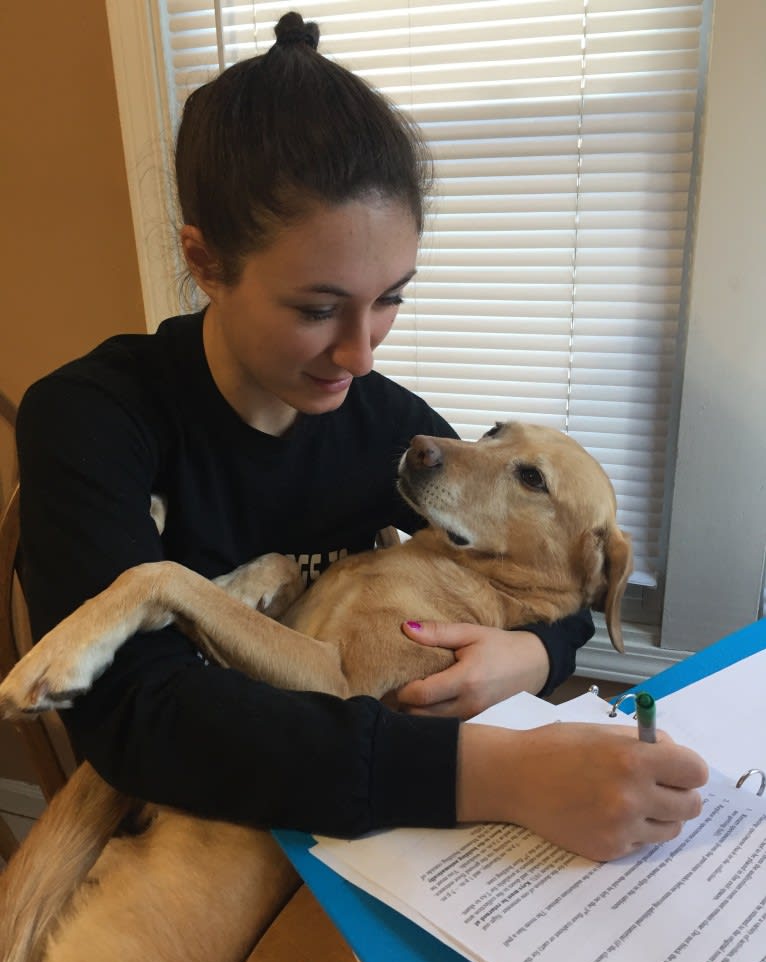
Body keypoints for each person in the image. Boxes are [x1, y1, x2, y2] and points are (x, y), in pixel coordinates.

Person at [15, 12, 707, 864]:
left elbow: (544, 578)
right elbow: (140, 720)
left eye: (390, 298)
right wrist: (495, 773)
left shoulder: (387, 423)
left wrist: (532, 652)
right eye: (317, 308)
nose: (361, 351)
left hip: (364, 829)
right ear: (204, 261)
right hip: (180, 835)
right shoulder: (93, 419)